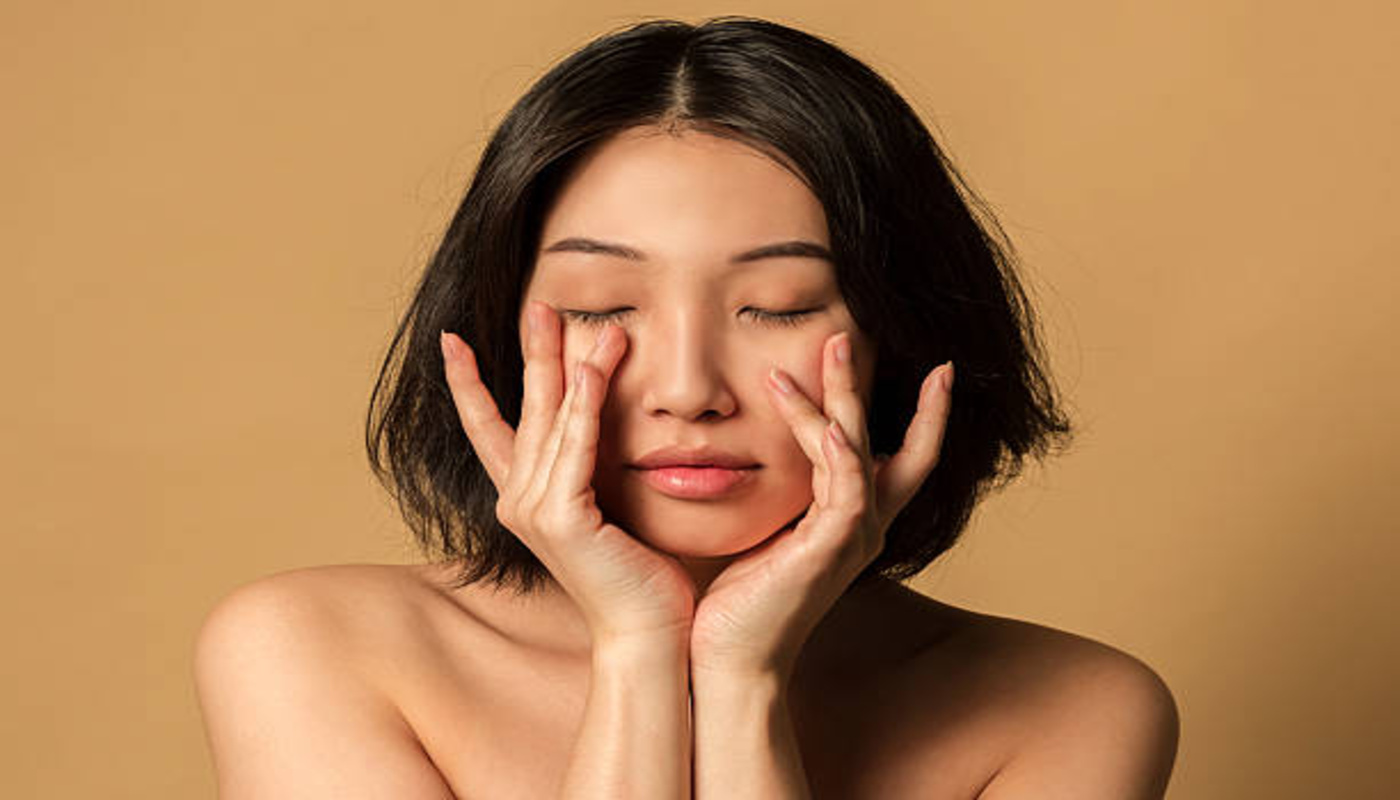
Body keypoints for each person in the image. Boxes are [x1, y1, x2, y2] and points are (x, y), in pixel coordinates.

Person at [194, 16, 1179, 799]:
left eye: (778, 307)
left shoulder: (1071, 709)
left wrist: (740, 681)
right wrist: (636, 649)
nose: (687, 390)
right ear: (502, 336)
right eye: (599, 308)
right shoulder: (317, 647)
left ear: (903, 336)